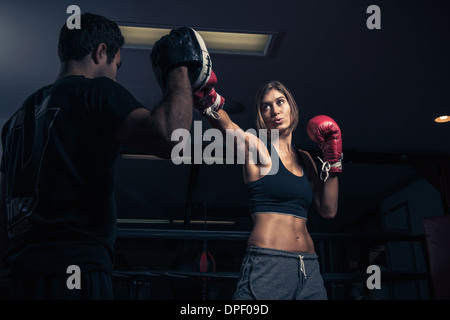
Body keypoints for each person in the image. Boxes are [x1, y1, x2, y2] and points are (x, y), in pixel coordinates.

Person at [0, 13, 210, 299]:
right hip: (73, 270)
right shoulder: (96, 91)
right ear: (101, 52)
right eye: (116, 65)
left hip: (16, 277)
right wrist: (179, 68)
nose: (115, 74)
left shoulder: (15, 120)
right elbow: (173, 138)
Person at [193, 71, 342, 300]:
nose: (275, 110)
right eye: (266, 106)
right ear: (262, 116)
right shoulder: (258, 148)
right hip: (269, 263)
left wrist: (333, 160)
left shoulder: (305, 158)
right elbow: (229, 127)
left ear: (291, 106)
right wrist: (208, 100)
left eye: (280, 102)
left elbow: (328, 210)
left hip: (309, 268)